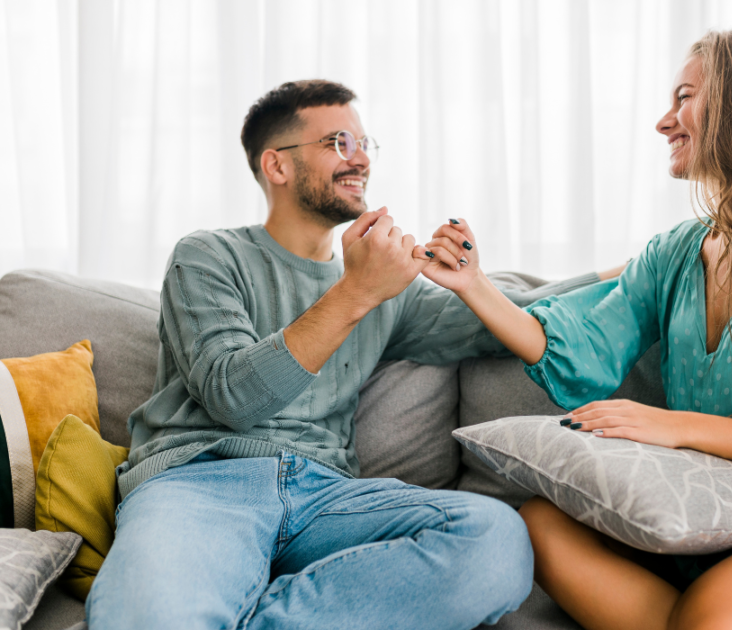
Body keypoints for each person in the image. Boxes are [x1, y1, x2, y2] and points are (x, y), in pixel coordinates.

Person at [85, 79, 619, 629]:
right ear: (277, 166)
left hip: (327, 497)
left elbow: (511, 318)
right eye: (340, 142)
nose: (361, 159)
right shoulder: (207, 257)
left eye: (366, 144)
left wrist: (632, 272)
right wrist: (357, 291)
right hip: (201, 484)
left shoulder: (389, 292)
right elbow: (234, 397)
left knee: (496, 540)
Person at [421, 30, 732, 630]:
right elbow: (580, 347)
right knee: (536, 524)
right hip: (693, 517)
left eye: (684, 97)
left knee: (709, 619)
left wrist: (671, 428)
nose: (662, 122)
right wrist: (475, 285)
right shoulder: (676, 252)